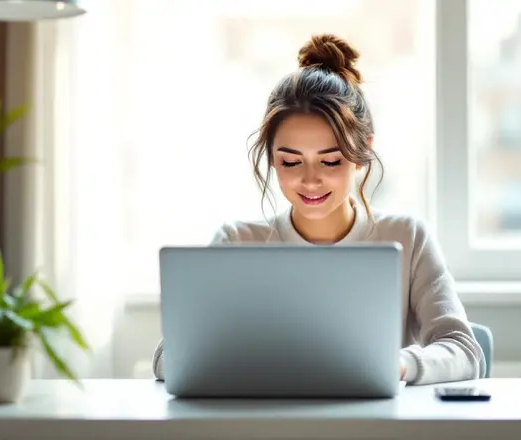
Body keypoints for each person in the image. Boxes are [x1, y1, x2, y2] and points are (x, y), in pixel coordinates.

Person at [152, 33, 484, 385]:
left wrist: (398, 365)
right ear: (271, 158)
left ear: (363, 151)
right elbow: (167, 358)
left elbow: (463, 350)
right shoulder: (237, 240)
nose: (310, 181)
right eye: (291, 162)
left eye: (330, 161)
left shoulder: (407, 237)